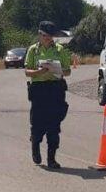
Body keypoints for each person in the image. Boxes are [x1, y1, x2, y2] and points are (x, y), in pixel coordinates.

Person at [25, 21, 72, 169]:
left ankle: (51, 158)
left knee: (54, 124)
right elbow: (27, 72)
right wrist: (39, 72)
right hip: (39, 89)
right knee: (38, 122)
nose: (48, 39)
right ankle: (35, 145)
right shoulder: (33, 50)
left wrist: (56, 71)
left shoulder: (60, 50)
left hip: (55, 89)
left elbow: (68, 71)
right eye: (45, 36)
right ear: (39, 34)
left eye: (50, 36)